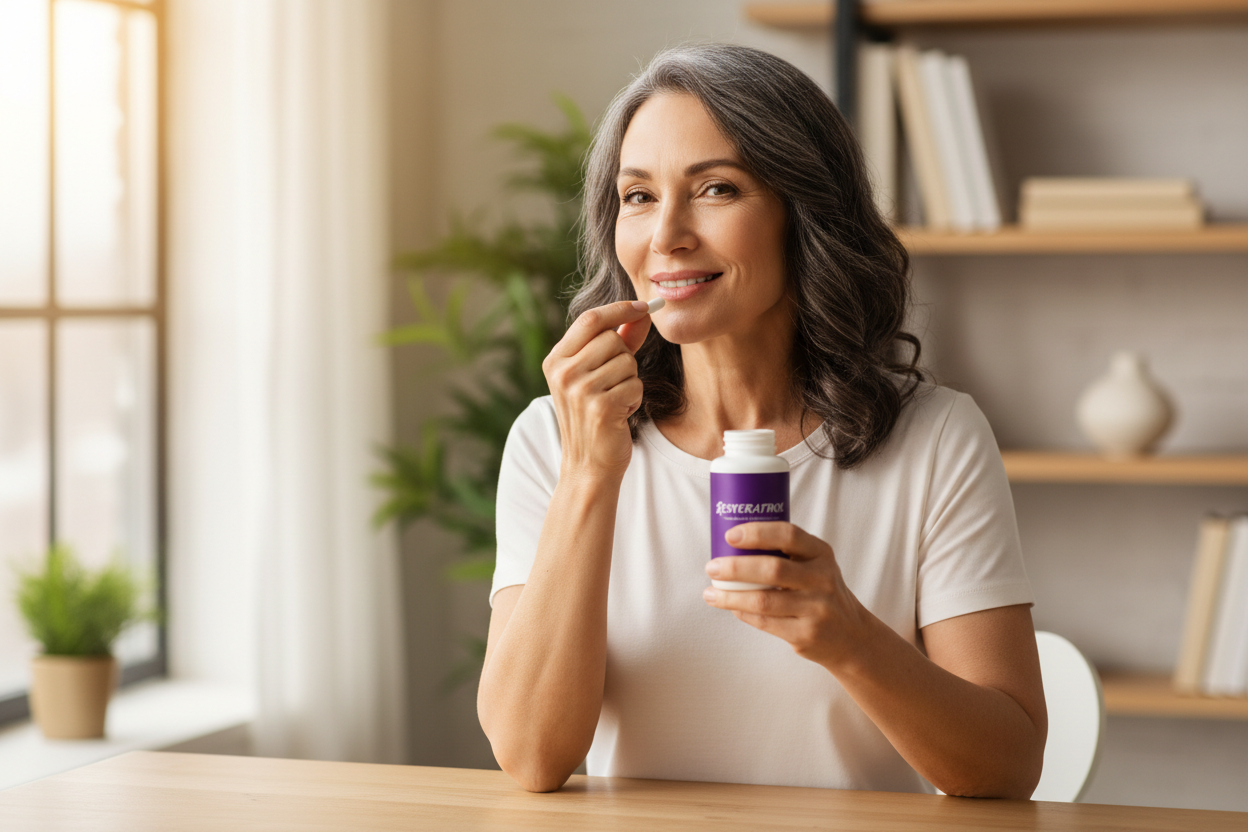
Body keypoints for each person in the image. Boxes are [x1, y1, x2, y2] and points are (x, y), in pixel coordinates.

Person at [477, 43, 1046, 797]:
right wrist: (588, 475)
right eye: (639, 197)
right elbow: (532, 757)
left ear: (803, 214)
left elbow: (1008, 766)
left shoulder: (935, 440)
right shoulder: (554, 439)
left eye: (715, 188)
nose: (666, 236)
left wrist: (850, 637)